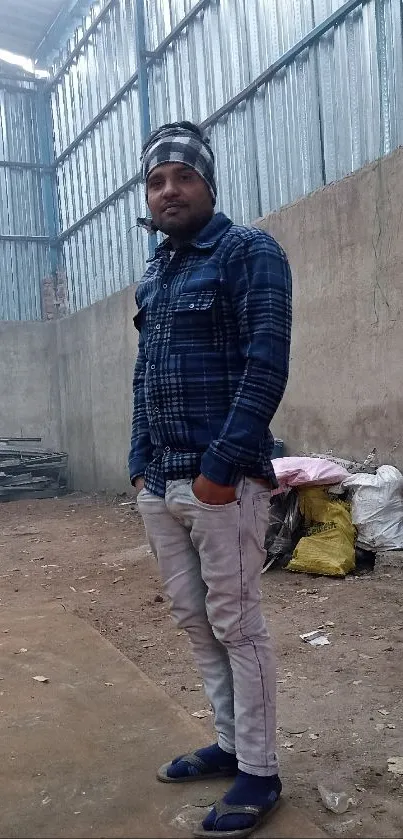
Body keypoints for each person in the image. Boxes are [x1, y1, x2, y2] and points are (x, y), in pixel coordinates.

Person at [129, 121, 292, 838]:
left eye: (181, 176)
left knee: (237, 625)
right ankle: (229, 745)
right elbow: (144, 377)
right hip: (160, 484)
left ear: (207, 183)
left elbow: (266, 364)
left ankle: (260, 770)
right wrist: (137, 460)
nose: (168, 189)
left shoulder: (246, 252)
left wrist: (220, 470)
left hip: (219, 484)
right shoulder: (156, 273)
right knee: (197, 625)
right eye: (156, 180)